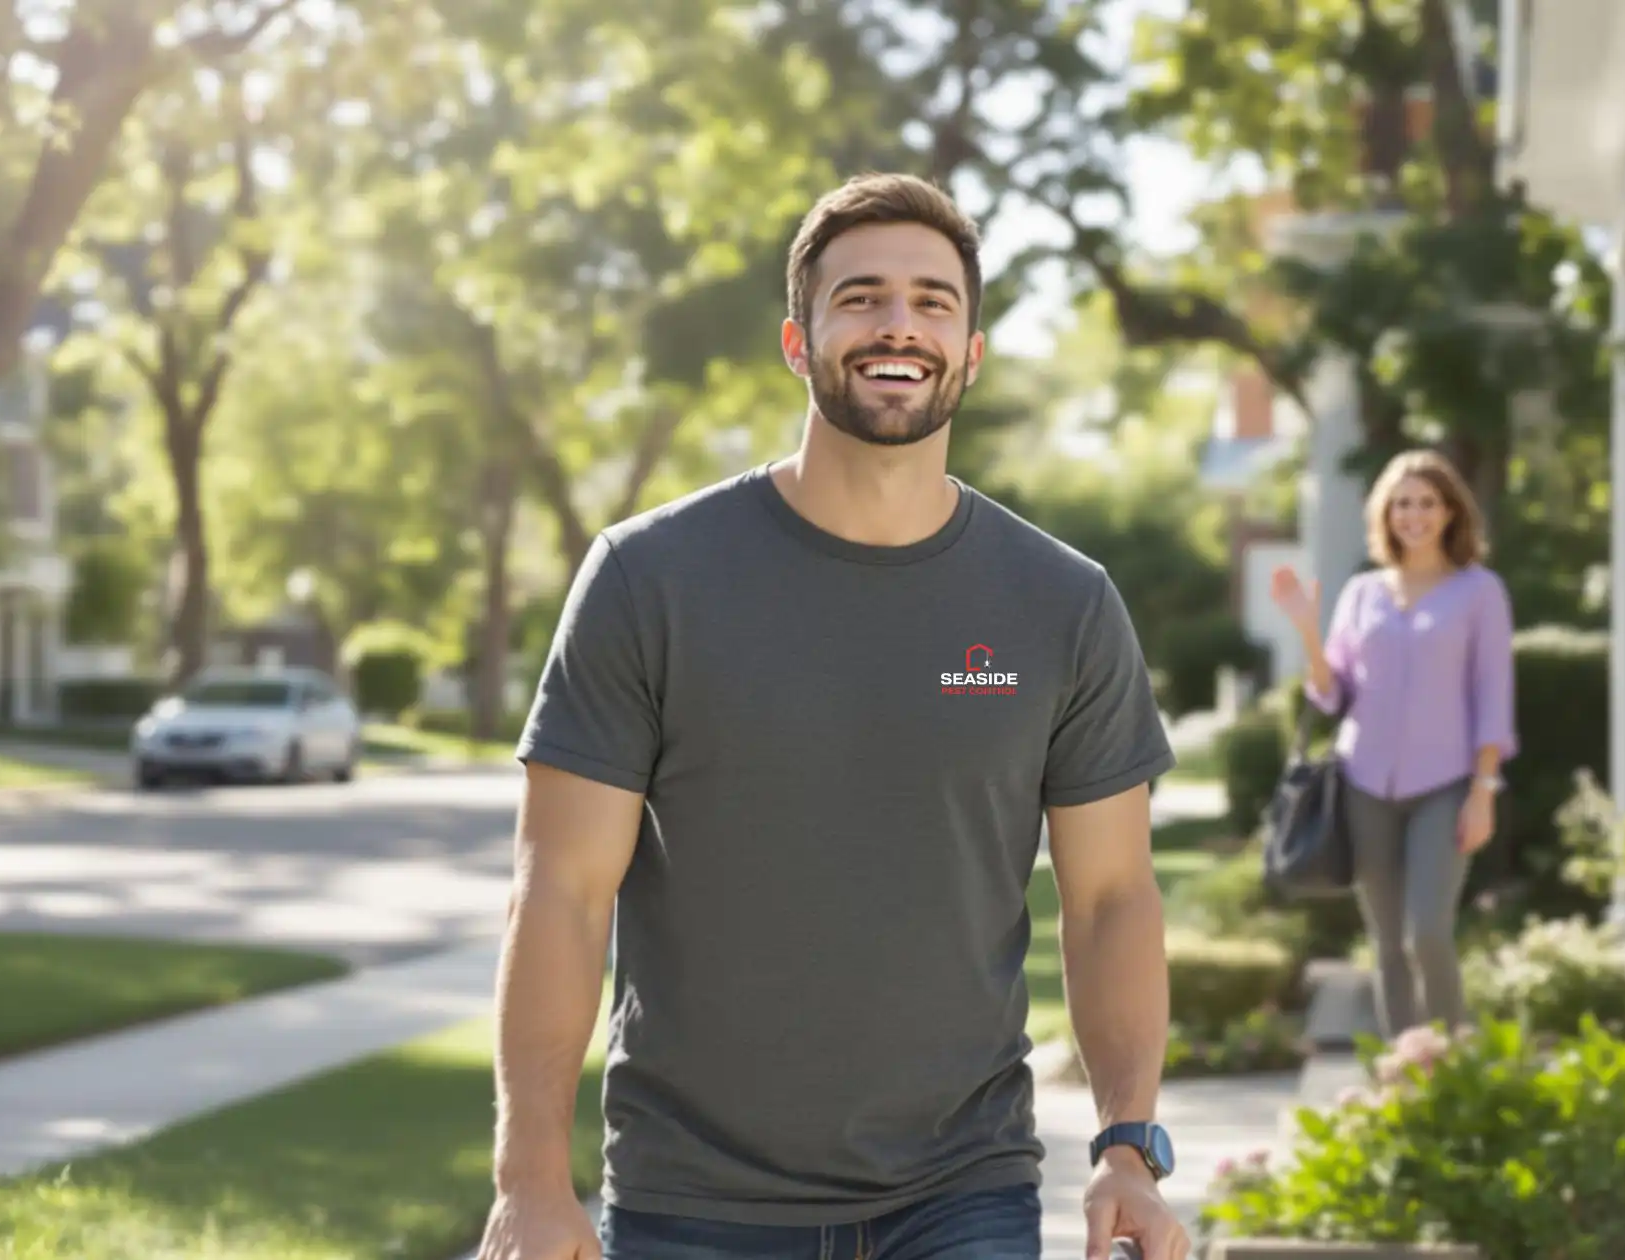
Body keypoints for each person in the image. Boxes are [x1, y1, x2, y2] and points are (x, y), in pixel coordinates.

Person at [477, 172, 1189, 1260]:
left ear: (971, 353)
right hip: (691, 1201)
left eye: (931, 301)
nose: (897, 323)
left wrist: (1124, 1147)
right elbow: (562, 893)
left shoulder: (1062, 603)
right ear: (797, 343)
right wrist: (529, 1181)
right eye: (858, 297)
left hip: (964, 1193)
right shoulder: (648, 578)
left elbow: (1109, 900)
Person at [1268, 449, 1516, 1038]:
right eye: (1402, 503)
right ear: (1386, 514)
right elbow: (1333, 696)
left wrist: (1484, 790)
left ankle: (1455, 1066)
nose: (1414, 515)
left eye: (1427, 502)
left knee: (1426, 931)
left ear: (1451, 512)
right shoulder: (1362, 593)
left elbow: (1493, 696)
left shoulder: (1480, 592)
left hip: (1447, 783)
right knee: (1386, 944)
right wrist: (1308, 630)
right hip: (1363, 781)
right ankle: (1403, 1077)